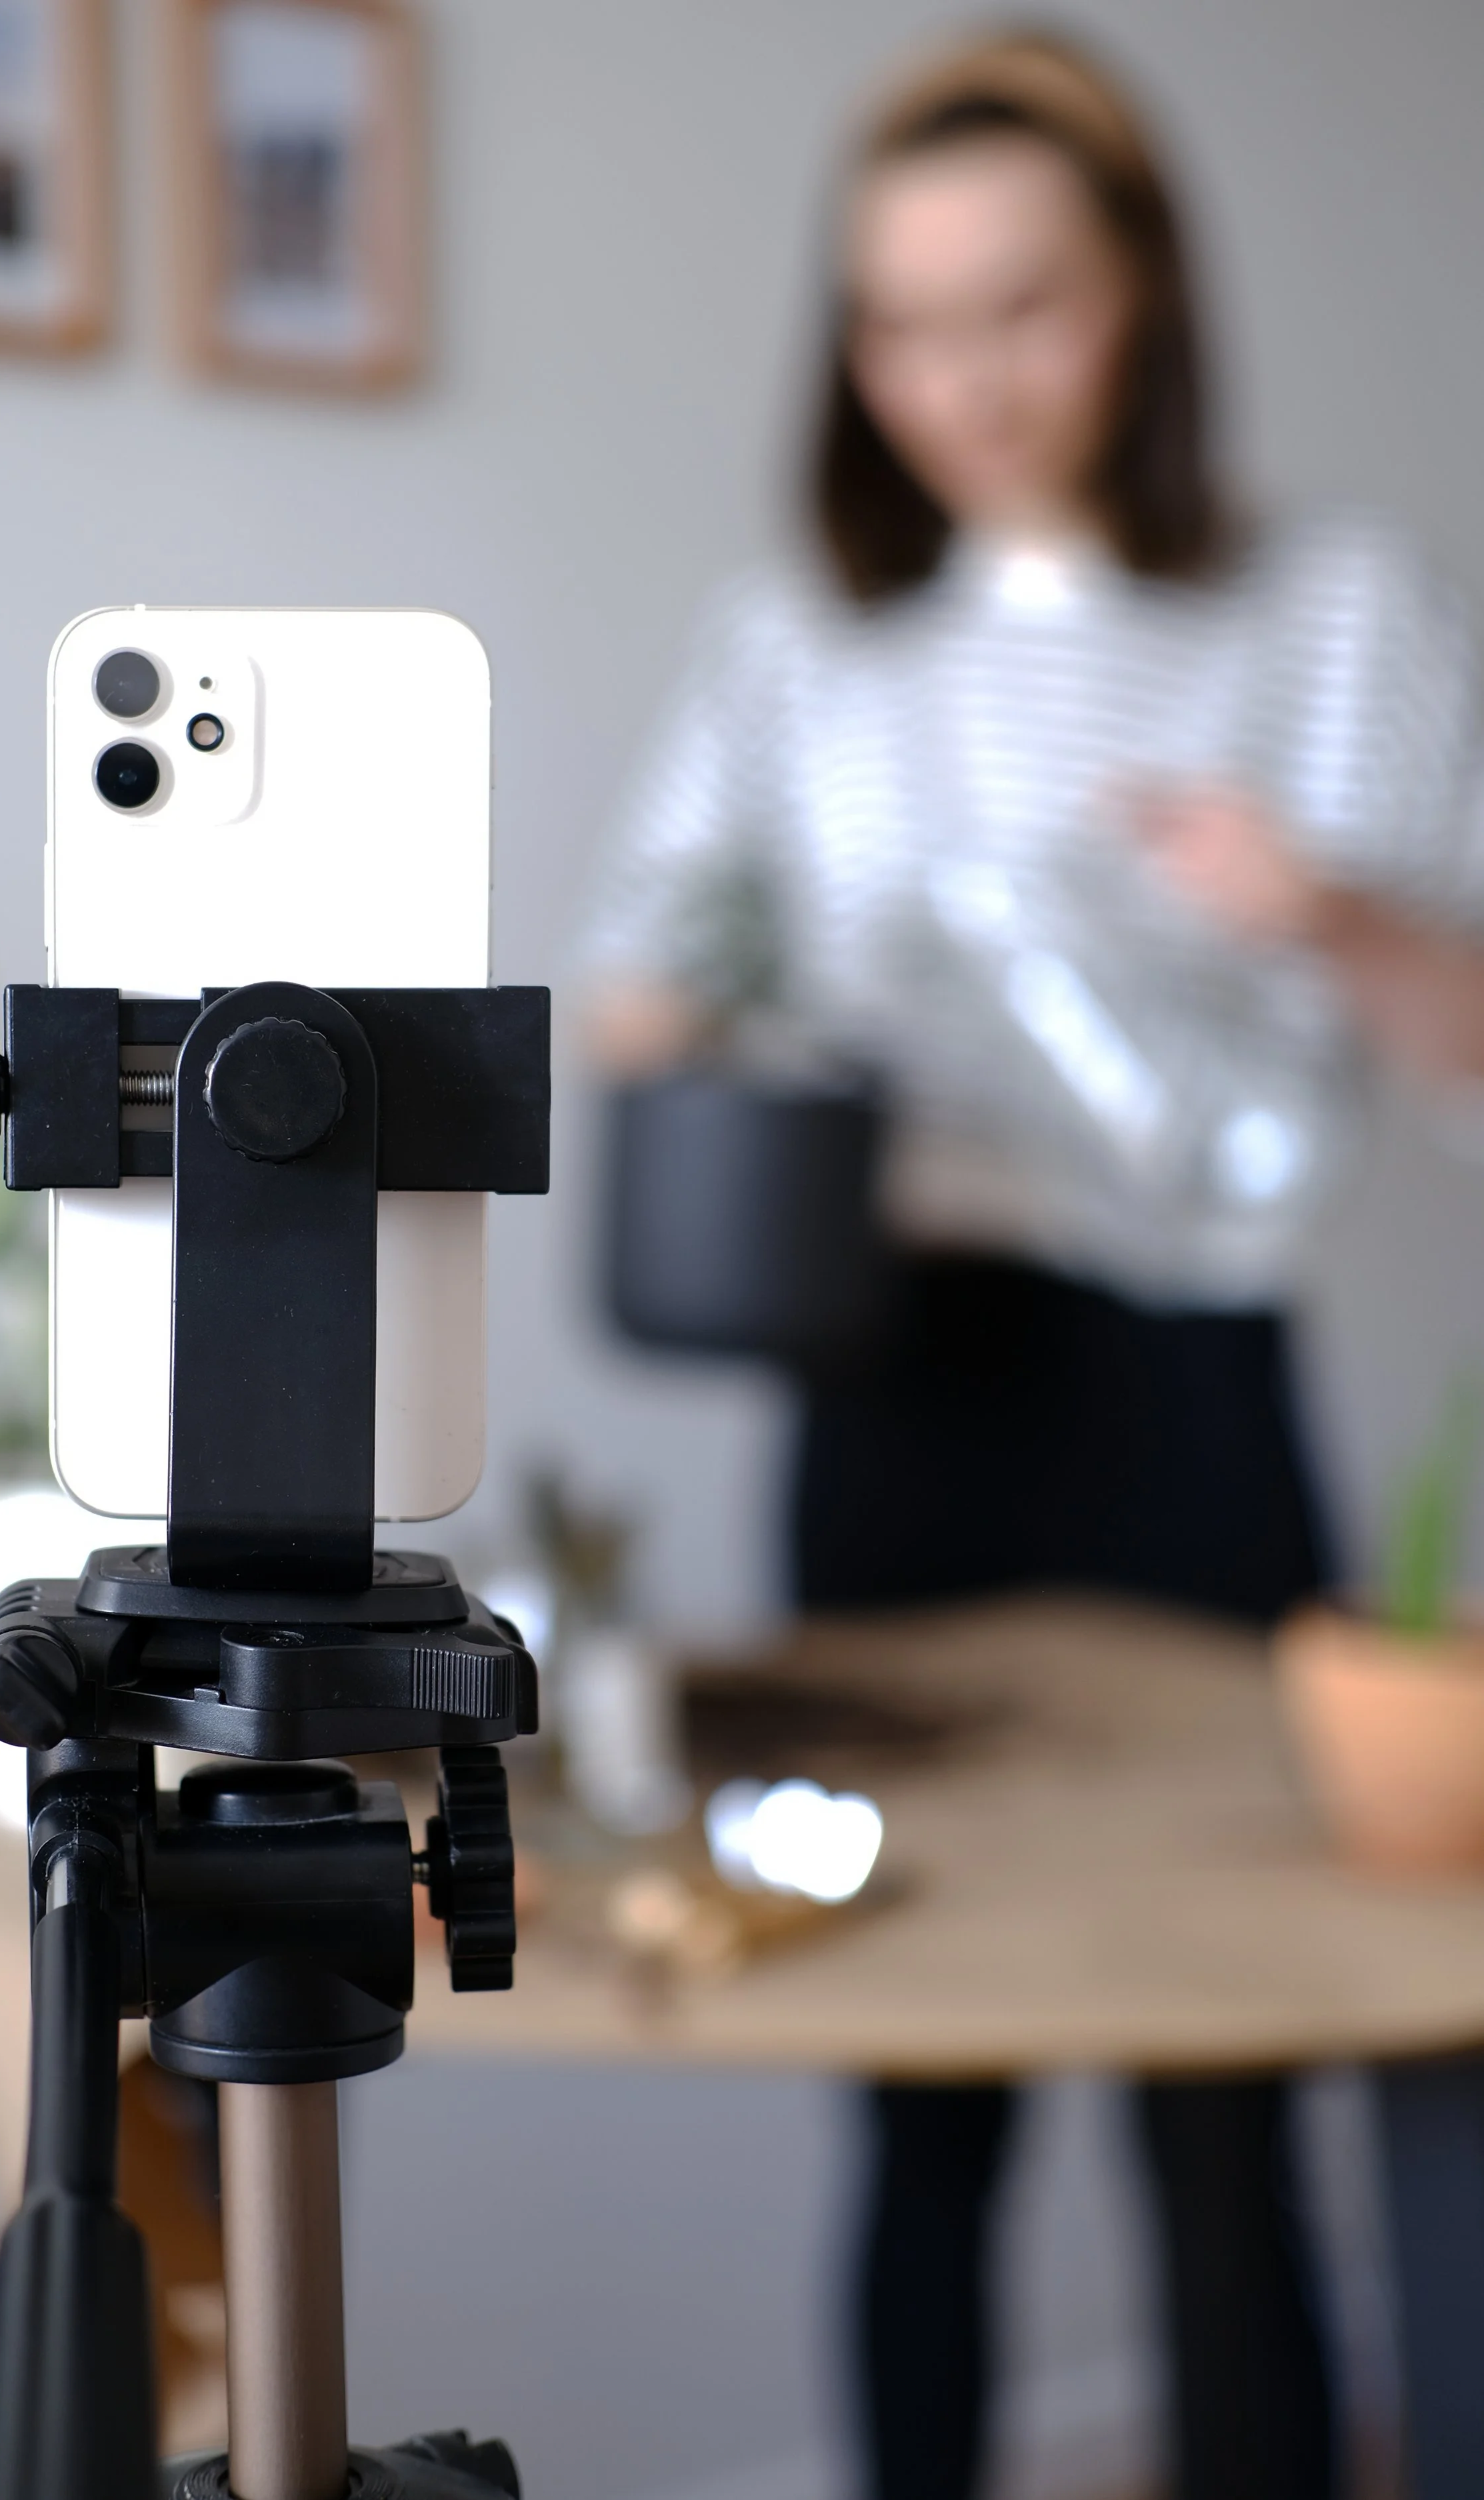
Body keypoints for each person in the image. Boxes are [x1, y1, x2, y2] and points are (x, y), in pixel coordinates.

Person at [580, 28, 1484, 2500]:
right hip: (898, 1403)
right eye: (900, 325)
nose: (961, 381)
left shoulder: (1328, 605)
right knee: (917, 2084)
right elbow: (649, 982)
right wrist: (708, 1004)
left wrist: (1310, 908)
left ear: (1141, 299)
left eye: (1021, 308)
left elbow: (1465, 1044)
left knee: (1227, 2093)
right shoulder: (802, 643)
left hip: (1190, 1395)